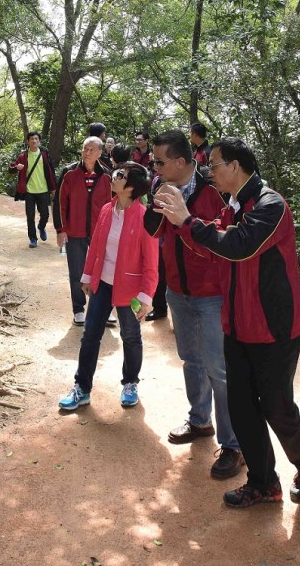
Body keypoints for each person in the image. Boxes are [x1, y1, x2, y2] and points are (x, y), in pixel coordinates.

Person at [153, 137, 300, 509]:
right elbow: (212, 248)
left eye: (214, 165)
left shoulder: (270, 205)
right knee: (243, 407)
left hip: (272, 326)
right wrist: (182, 223)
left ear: (235, 166)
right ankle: (263, 483)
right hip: (237, 324)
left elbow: (240, 246)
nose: (209, 172)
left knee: (277, 406)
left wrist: (188, 221)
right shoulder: (233, 207)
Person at [144, 130, 243, 479]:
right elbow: (152, 231)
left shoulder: (215, 191)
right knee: (191, 359)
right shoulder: (161, 186)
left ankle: (234, 444)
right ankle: (200, 420)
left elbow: (219, 244)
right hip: (178, 290)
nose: (153, 165)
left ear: (181, 162)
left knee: (220, 369)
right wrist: (155, 202)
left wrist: (184, 220)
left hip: (211, 292)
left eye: (159, 160)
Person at [58, 162, 158, 410]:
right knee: (90, 335)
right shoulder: (106, 209)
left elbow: (151, 262)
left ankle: (130, 382)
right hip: (102, 284)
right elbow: (97, 247)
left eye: (120, 175)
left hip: (130, 290)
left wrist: (146, 296)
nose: (113, 177)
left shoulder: (145, 217)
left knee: (131, 336)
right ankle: (82, 387)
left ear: (132, 187)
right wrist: (86, 275)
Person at [53, 137, 112, 325]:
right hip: (74, 232)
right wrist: (60, 230)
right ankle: (78, 309)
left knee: (101, 271)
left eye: (92, 150)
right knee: (77, 272)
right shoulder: (69, 173)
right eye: (85, 149)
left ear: (100, 153)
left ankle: (101, 308)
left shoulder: (107, 176)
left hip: (99, 233)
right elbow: (60, 202)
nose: (87, 153)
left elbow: (112, 206)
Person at [9, 132, 57, 248]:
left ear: (39, 141)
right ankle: (33, 239)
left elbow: (51, 170)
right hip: (29, 191)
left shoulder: (44, 154)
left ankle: (41, 227)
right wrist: (16, 168)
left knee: (45, 214)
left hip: (43, 190)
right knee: (30, 217)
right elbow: (11, 169)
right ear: (27, 141)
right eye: (31, 139)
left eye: (36, 139)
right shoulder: (23, 156)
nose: (34, 141)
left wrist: (53, 187)